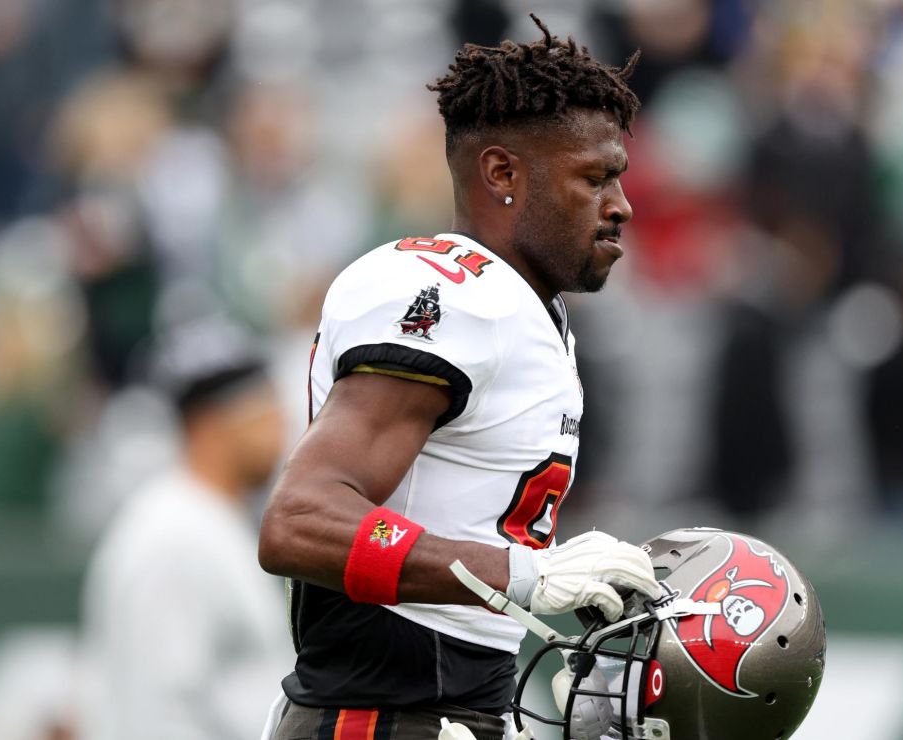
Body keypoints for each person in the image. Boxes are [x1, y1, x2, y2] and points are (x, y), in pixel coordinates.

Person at [256, 14, 659, 740]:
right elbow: (299, 521)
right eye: (594, 179)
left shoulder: (523, 306)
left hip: (444, 710)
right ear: (503, 173)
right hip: (380, 716)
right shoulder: (455, 298)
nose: (620, 206)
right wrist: (523, 576)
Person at [79, 319, 292, 740]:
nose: (280, 428)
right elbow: (159, 715)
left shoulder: (210, 518)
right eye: (264, 409)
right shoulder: (171, 535)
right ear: (212, 424)